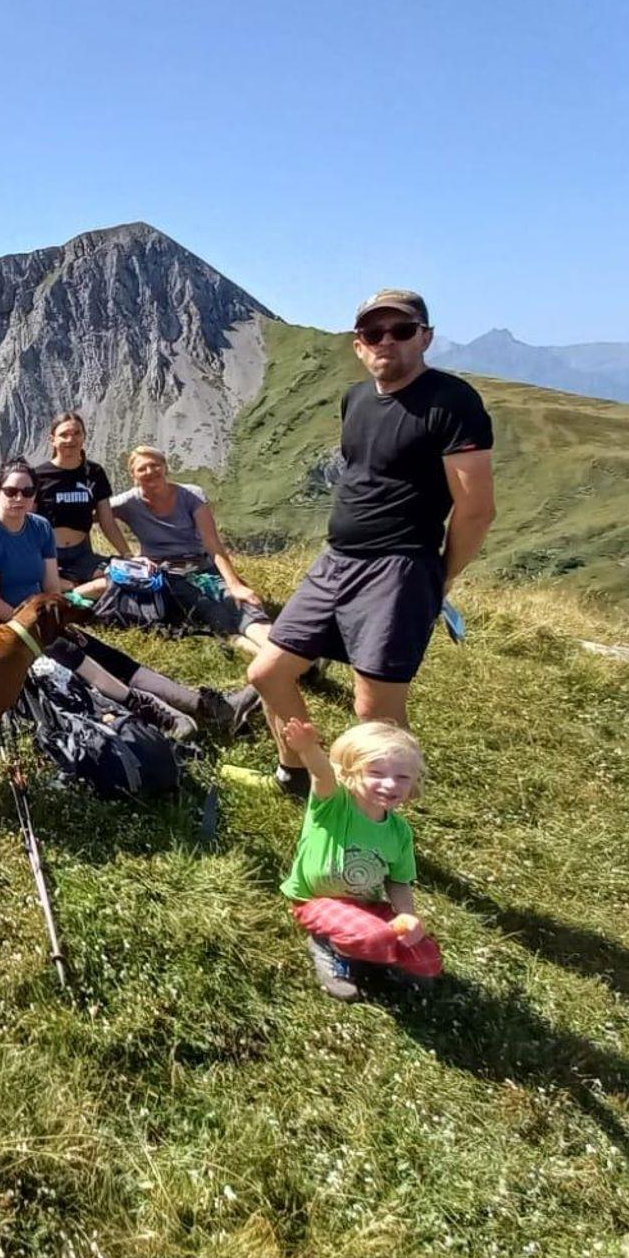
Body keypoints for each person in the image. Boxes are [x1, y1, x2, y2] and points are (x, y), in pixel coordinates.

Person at [249, 290, 497, 797]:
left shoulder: (452, 402)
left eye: (401, 330)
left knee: (375, 711)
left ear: (425, 338)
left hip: (399, 567)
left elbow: (476, 508)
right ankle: (299, 776)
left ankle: (378, 818)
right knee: (268, 672)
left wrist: (441, 577)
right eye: (372, 332)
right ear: (358, 345)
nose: (386, 341)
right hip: (336, 560)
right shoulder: (356, 399)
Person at [0, 458, 259, 739]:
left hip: (36, 617)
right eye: (11, 491)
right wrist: (38, 630)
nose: (19, 498)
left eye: (27, 491)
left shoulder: (39, 528)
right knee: (68, 660)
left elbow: (51, 588)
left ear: (35, 495)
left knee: (102, 653)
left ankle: (207, 706)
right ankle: (151, 712)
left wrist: (58, 621)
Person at [279, 717, 443, 1001]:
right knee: (373, 937)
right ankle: (329, 947)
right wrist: (308, 749)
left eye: (403, 777)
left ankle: (374, 952)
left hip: (366, 905)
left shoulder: (399, 832)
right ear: (351, 773)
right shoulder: (334, 804)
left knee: (428, 960)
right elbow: (321, 773)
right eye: (376, 773)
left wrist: (407, 914)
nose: (390, 784)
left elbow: (399, 881)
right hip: (317, 901)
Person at [109, 446, 273, 654]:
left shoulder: (191, 495)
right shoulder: (128, 502)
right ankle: (272, 658)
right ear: (133, 475)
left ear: (165, 467)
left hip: (202, 566)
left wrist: (235, 584)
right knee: (212, 613)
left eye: (155, 465)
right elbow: (92, 513)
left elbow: (212, 543)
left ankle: (281, 651)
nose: (150, 472)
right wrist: (128, 555)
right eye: (142, 469)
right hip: (167, 575)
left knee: (240, 603)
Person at [32, 412, 137, 595]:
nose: (70, 439)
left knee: (122, 577)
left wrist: (128, 555)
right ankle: (71, 590)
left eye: (76, 433)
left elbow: (107, 522)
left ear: (84, 437)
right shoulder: (38, 476)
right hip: (48, 555)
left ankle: (72, 593)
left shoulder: (94, 472)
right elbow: (28, 524)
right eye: (64, 435)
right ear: (53, 440)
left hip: (82, 555)